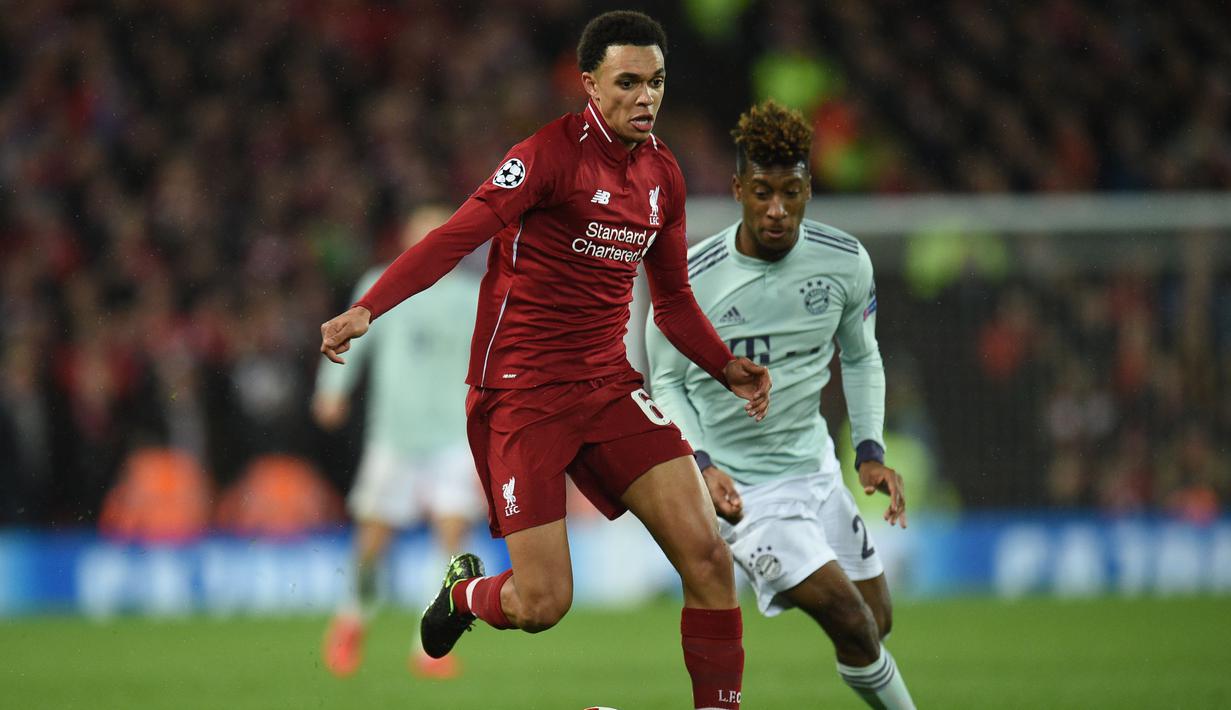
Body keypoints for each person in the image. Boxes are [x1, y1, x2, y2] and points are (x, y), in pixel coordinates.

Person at [318, 11, 771, 710]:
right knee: (541, 602)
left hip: (608, 387)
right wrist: (367, 309)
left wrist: (726, 367)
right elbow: (455, 235)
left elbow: (673, 301)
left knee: (708, 556)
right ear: (590, 83)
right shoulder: (546, 157)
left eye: (655, 82)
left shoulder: (662, 175)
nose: (645, 97)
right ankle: (464, 594)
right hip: (522, 395)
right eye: (627, 82)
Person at [645, 100, 917, 709]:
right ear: (739, 188)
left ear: (809, 189)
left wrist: (869, 451)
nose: (776, 209)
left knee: (876, 622)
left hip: (816, 472)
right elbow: (667, 384)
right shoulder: (689, 279)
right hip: (743, 493)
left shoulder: (845, 262)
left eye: (791, 192)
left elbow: (862, 356)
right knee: (850, 620)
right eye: (762, 192)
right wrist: (703, 466)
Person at [315, 205, 484, 678]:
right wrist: (331, 392)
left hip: (453, 434)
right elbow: (353, 337)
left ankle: (428, 647)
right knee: (372, 542)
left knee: (451, 539)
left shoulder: (473, 295)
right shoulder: (382, 284)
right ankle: (352, 618)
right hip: (395, 434)